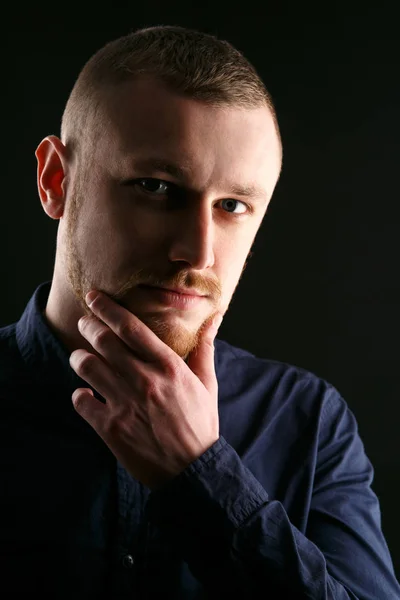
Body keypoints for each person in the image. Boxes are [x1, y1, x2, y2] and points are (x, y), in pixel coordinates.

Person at [0, 25, 399, 600]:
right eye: (157, 188)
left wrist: (199, 475)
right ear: (55, 180)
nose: (199, 252)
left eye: (233, 205)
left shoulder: (311, 425)